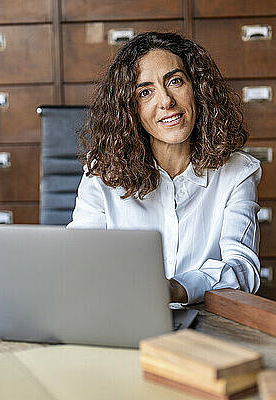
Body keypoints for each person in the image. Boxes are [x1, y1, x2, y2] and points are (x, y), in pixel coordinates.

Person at [67, 32, 261, 304]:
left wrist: (177, 289)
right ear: (130, 109)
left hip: (206, 326)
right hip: (123, 318)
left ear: (198, 88)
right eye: (145, 92)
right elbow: (77, 261)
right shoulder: (102, 172)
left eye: (175, 81)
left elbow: (243, 269)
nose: (166, 100)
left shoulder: (237, 172)